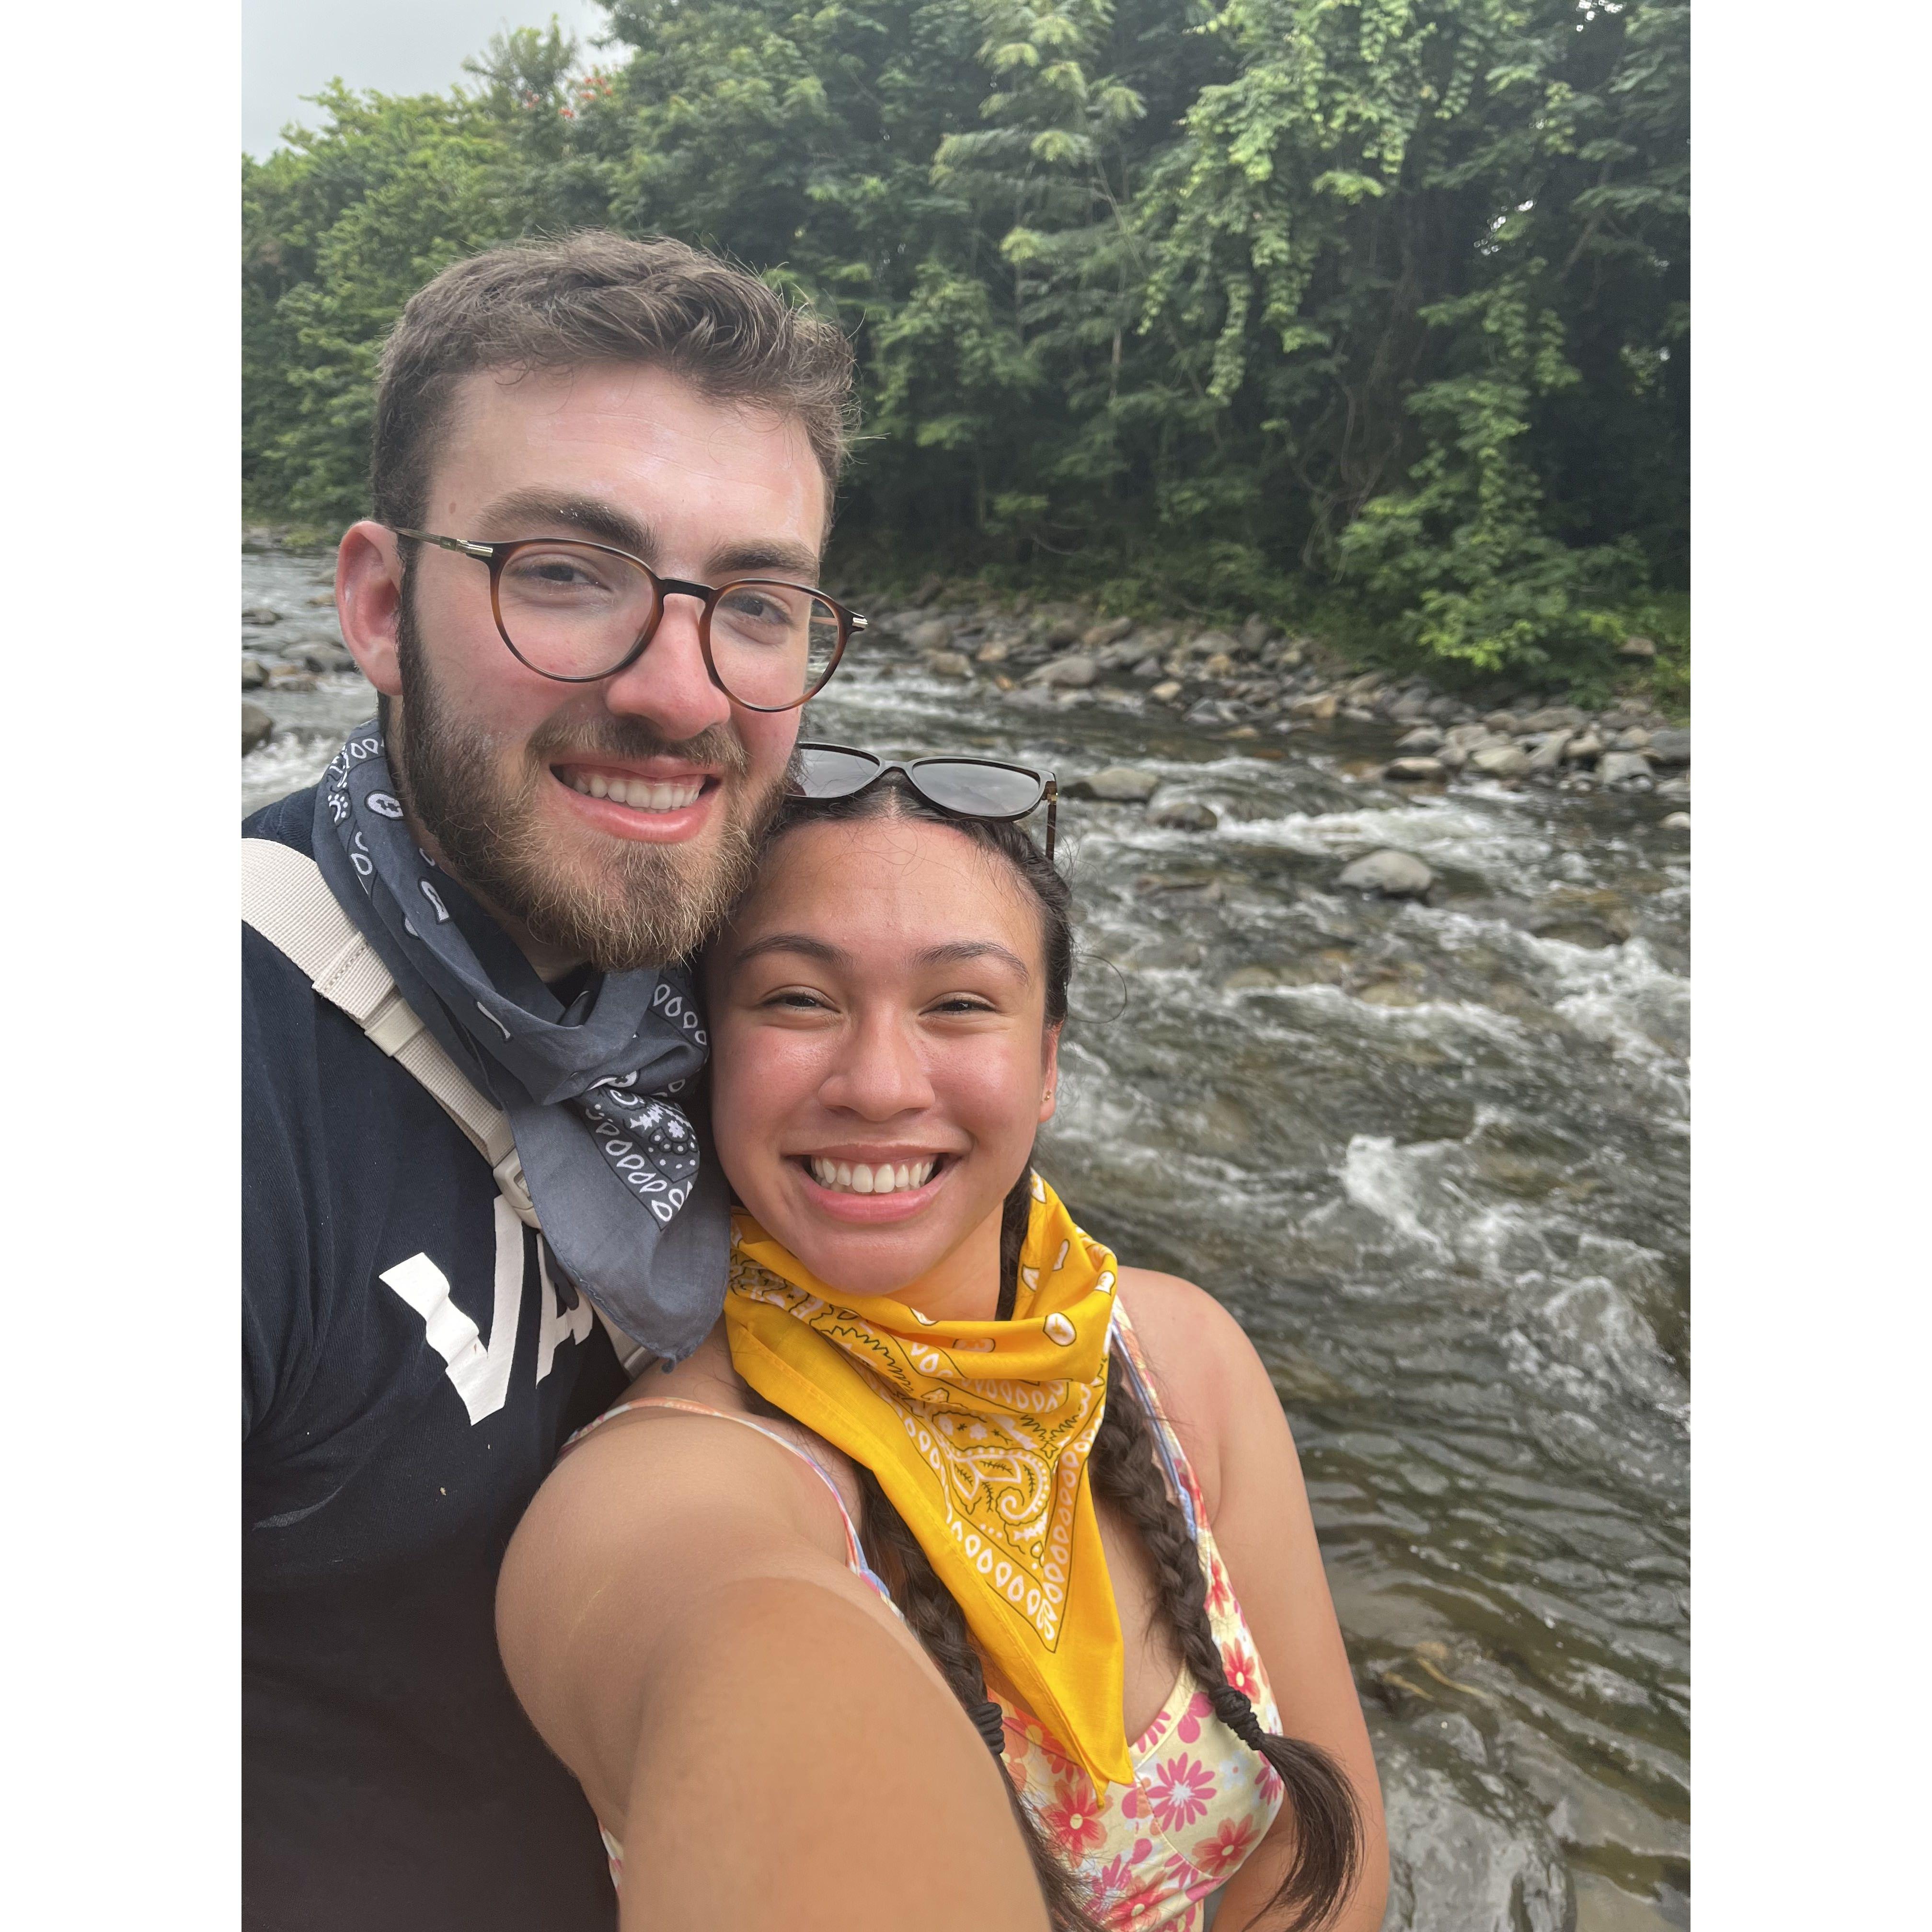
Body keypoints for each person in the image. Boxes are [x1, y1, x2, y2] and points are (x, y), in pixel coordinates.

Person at [242, 232, 872, 1930]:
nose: (678, 692)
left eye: (757, 605)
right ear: (381, 606)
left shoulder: (777, 990)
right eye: (569, 573)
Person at [497, 752, 1391, 1931]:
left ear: (1049, 1064)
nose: (878, 1085)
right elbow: (733, 1649)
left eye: (960, 1004)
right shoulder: (669, 1482)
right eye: (798, 1000)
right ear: (709, 1049)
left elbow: (1325, 1867)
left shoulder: (1183, 1357)